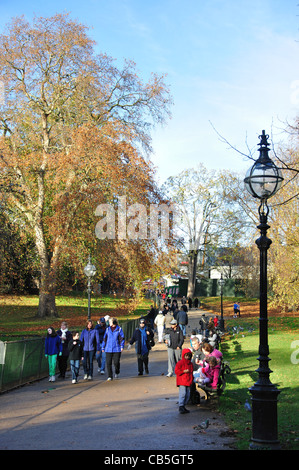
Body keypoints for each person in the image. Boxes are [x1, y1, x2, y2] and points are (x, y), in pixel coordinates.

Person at [174, 348, 194, 414]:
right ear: (183, 356)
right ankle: (181, 406)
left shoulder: (190, 364)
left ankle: (183, 406)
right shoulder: (180, 363)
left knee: (187, 395)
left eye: (189, 356)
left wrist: (191, 380)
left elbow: (191, 373)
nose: (187, 357)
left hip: (188, 381)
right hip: (182, 381)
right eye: (186, 356)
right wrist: (183, 371)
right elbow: (176, 371)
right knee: (183, 394)